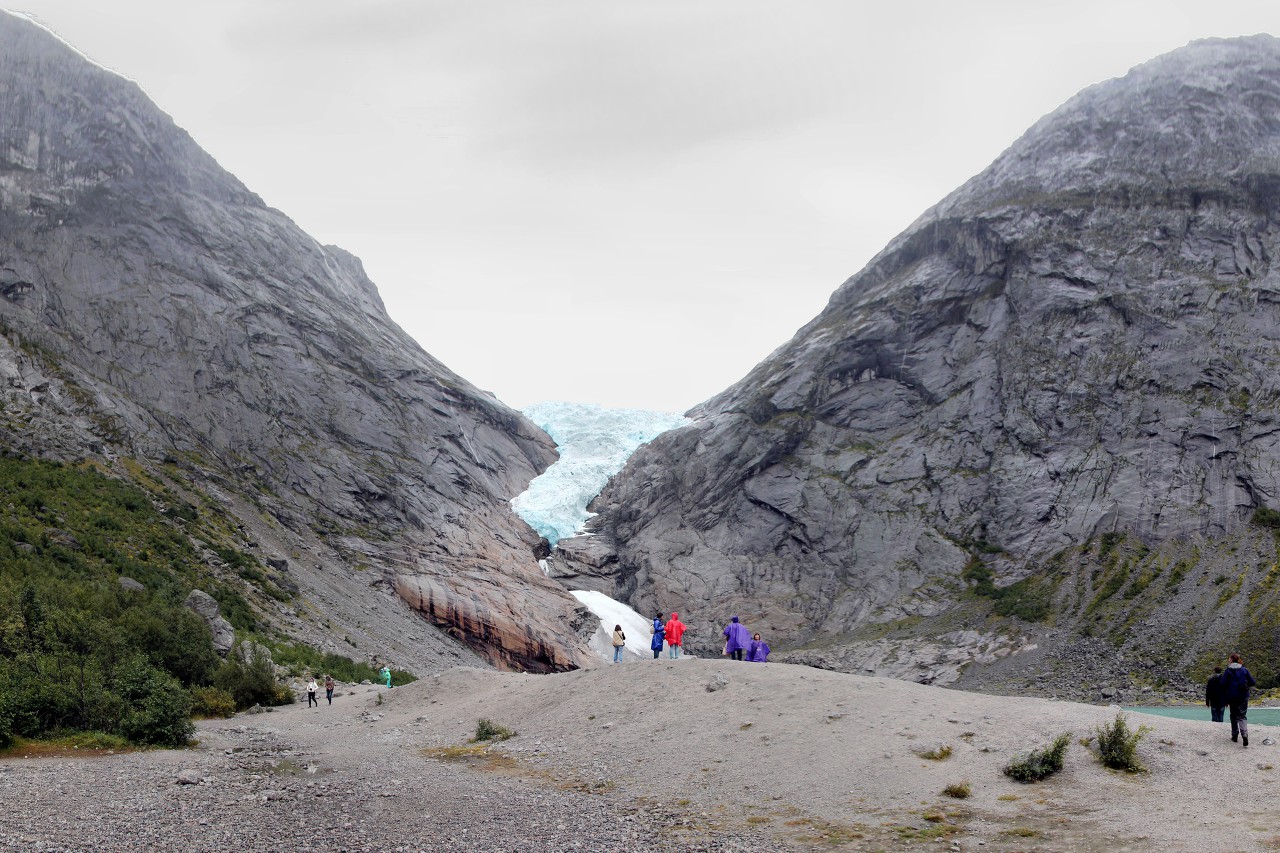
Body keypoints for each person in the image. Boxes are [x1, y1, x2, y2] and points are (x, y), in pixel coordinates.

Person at [1221, 652, 1257, 746]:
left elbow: (1223, 683)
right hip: (1243, 696)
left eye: (1229, 658)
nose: (1228, 660)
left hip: (1232, 696)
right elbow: (1253, 682)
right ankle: (1244, 734)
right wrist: (1245, 685)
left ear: (1232, 660)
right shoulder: (1244, 669)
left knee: (1233, 715)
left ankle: (1235, 735)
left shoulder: (1228, 670)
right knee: (1242, 715)